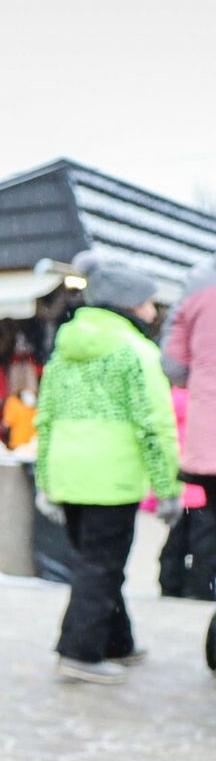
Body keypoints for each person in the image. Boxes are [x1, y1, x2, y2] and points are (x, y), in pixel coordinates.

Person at [35, 253, 180, 684]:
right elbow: (154, 424)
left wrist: (45, 480)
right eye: (149, 303)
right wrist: (167, 487)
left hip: (67, 471)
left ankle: (118, 641)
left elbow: (45, 417)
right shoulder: (137, 352)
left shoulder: (64, 350)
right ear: (129, 303)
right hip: (112, 476)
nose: (153, 311)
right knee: (102, 565)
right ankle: (78, 651)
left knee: (94, 563)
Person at [162, 254, 216, 601]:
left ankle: (201, 590)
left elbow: (172, 364)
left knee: (206, 520)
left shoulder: (198, 285)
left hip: (207, 435)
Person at [155, 387, 212, 600]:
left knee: (175, 541)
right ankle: (200, 589)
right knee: (205, 544)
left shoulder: (170, 398)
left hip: (179, 483)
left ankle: (170, 585)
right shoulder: (206, 402)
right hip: (202, 484)